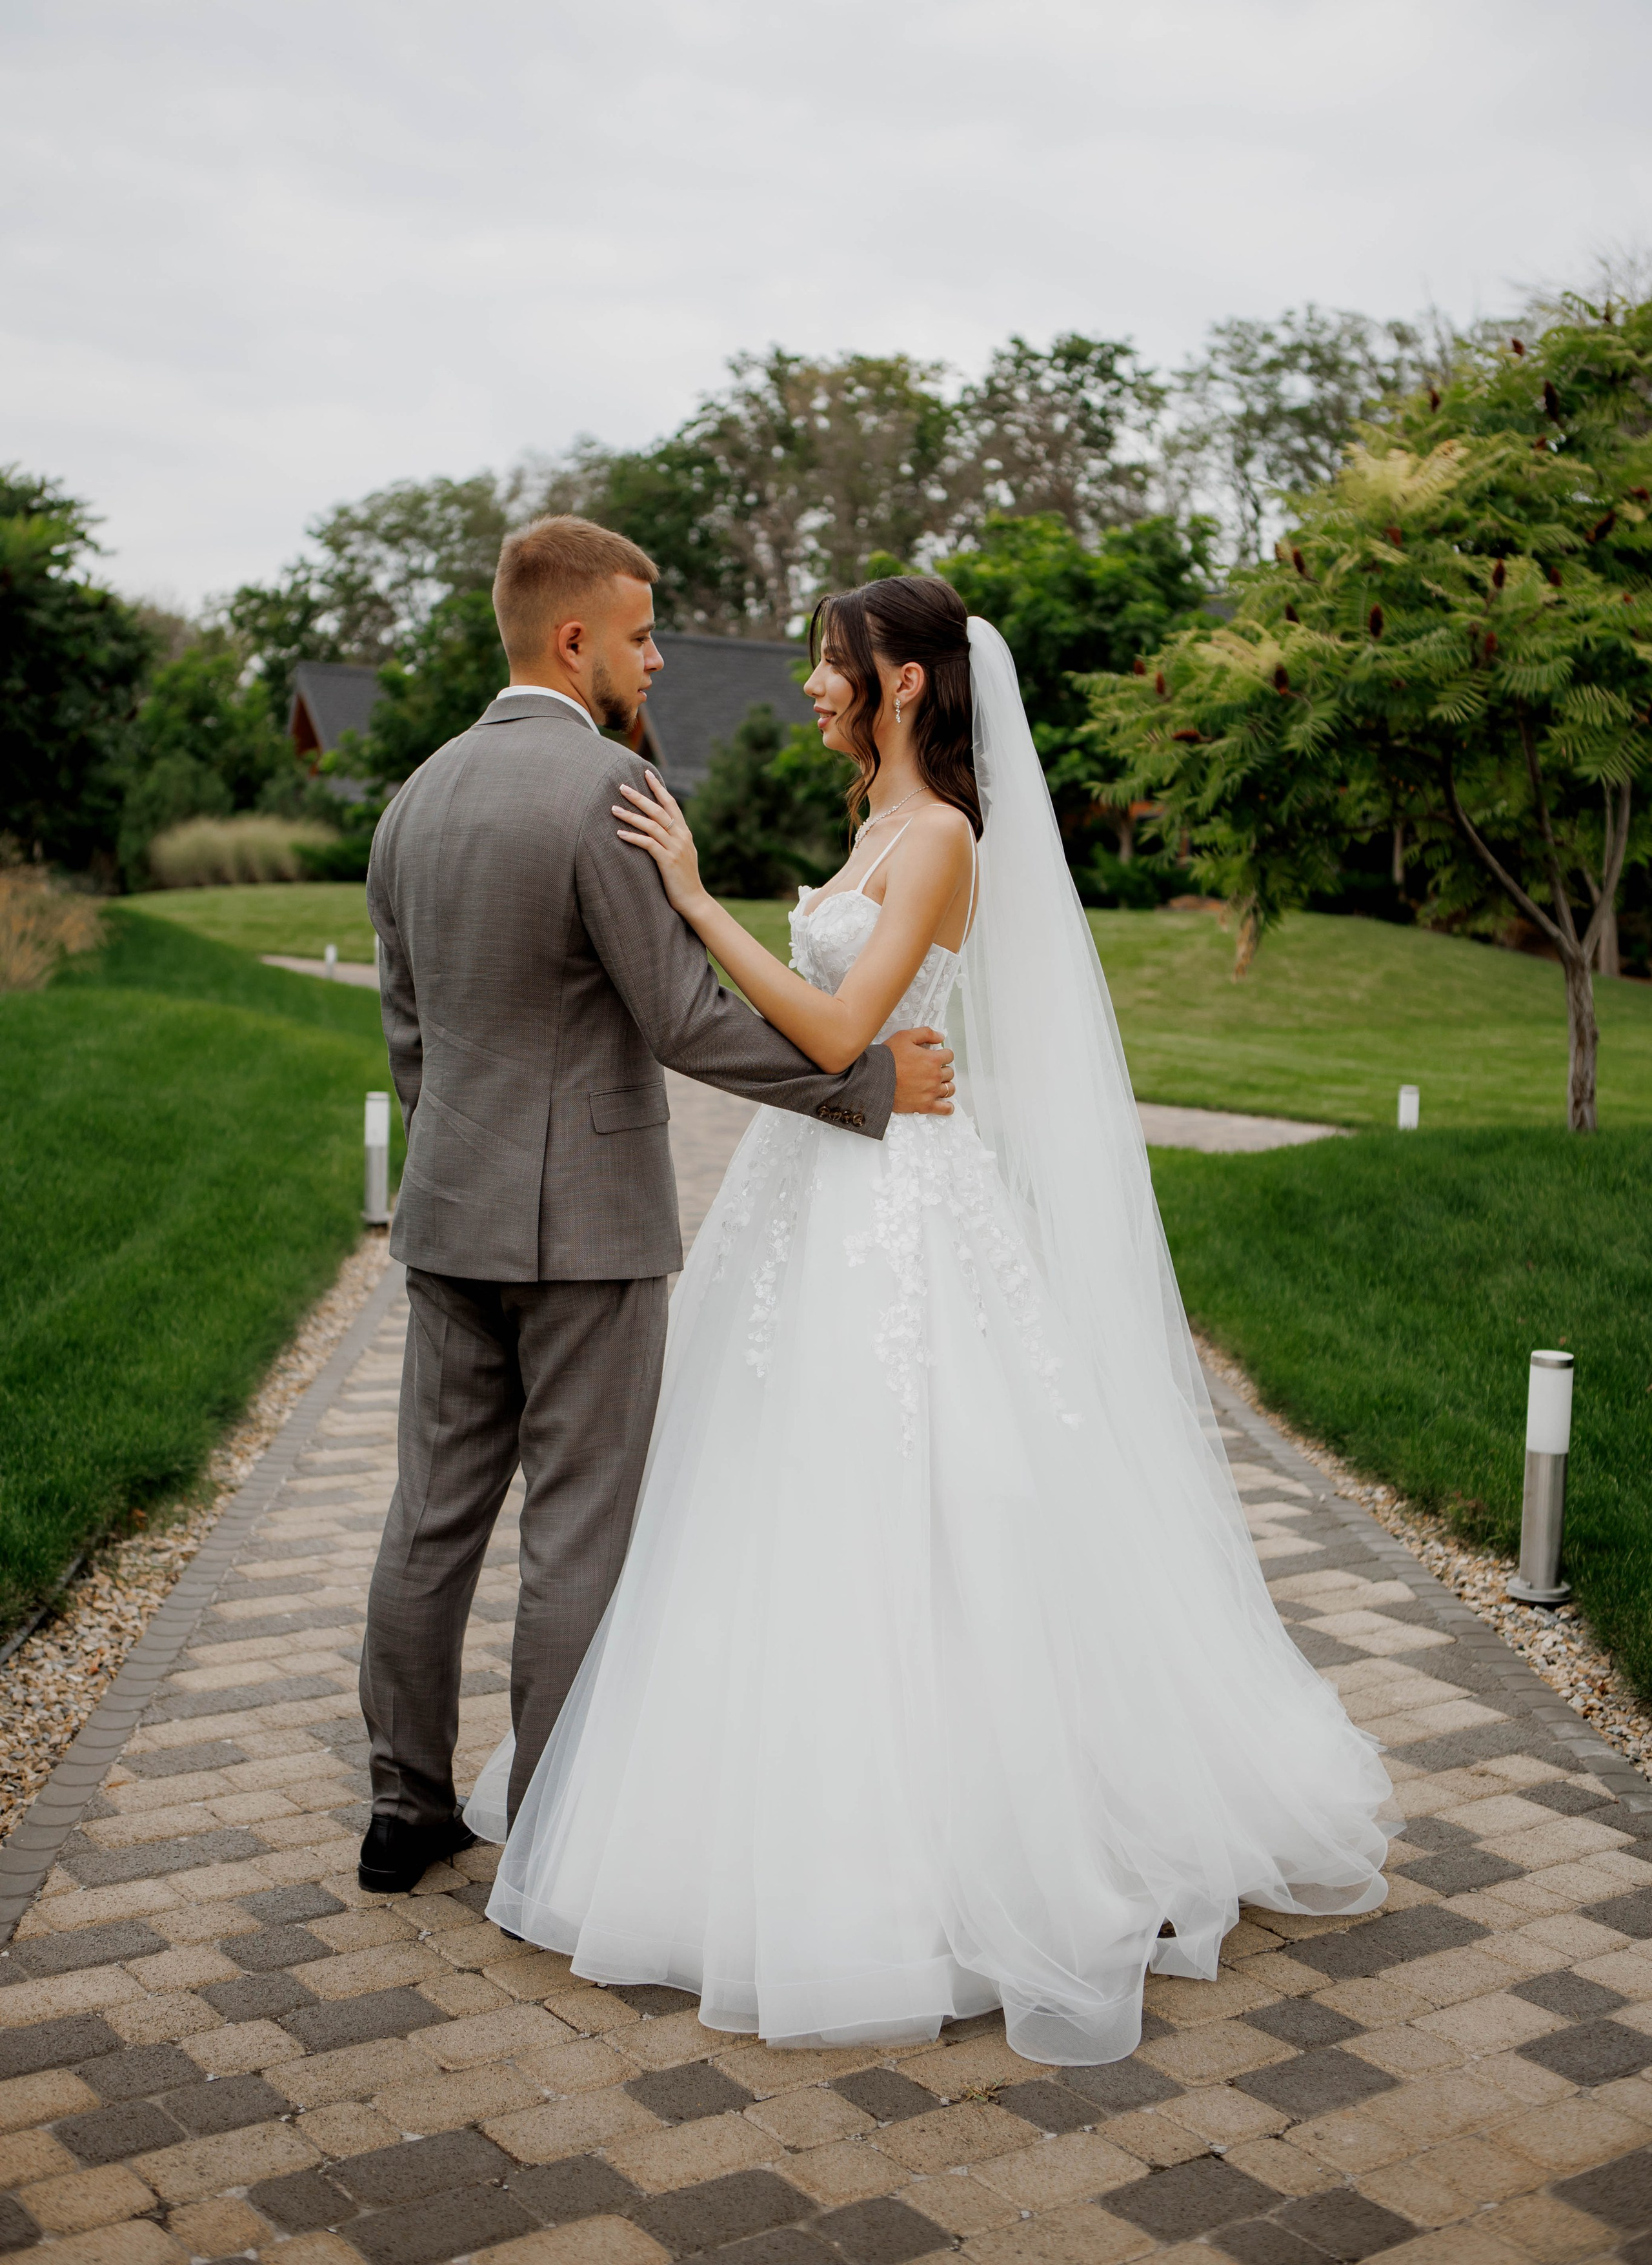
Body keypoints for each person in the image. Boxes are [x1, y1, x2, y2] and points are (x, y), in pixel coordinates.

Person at [467, 573, 1396, 2064]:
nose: (811, 686)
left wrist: (695, 899)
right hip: (808, 1190)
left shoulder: (947, 837)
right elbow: (840, 1040)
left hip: (895, 1205)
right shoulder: (867, 829)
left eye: (831, 666)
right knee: (764, 1492)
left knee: (927, 1488)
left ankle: (977, 1850)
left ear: (902, 682)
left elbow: (838, 1034)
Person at [356, 518, 956, 1898]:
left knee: (426, 1517)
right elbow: (683, 1019)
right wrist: (856, 1086)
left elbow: (409, 1038)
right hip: (588, 1234)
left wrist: (442, 1162)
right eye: (639, 636)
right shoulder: (605, 793)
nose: (655, 658)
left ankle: (402, 1808)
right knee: (574, 1525)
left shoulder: (414, 800)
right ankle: (556, 1825)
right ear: (576, 642)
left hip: (446, 1215)